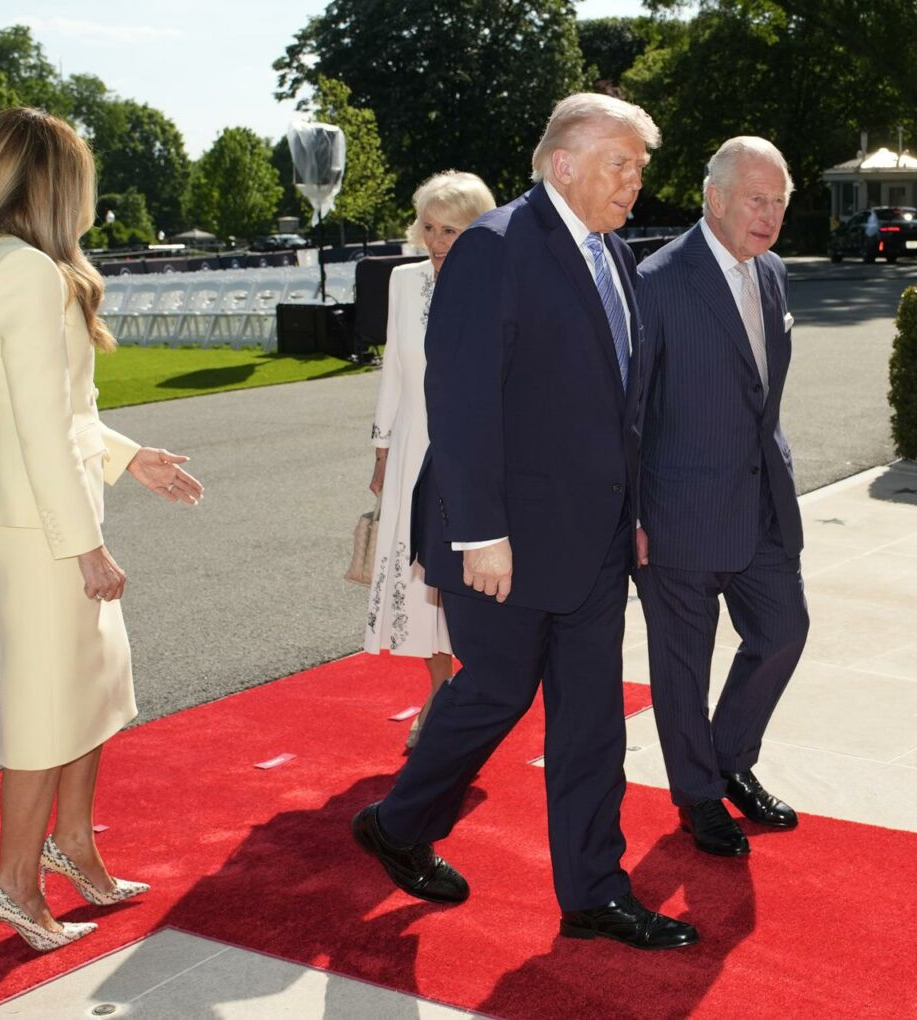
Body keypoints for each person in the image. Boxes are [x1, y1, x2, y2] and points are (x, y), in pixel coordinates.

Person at [353, 93, 699, 951]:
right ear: (565, 163)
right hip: (501, 539)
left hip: (594, 539)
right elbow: (461, 398)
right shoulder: (495, 249)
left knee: (592, 725)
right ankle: (398, 824)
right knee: (495, 693)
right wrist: (479, 534)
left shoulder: (613, 255)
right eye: (622, 164)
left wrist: (640, 511)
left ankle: (593, 893)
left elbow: (628, 405)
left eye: (640, 168)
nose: (636, 183)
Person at [0, 107, 204, 959]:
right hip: (39, 518)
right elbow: (41, 427)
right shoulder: (25, 273)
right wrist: (83, 543)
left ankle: (72, 845)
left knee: (86, 688)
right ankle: (13, 886)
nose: (91, 193)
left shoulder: (1, 264)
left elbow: (61, 414)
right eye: (81, 175)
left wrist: (129, 458)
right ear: (50, 181)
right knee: (47, 705)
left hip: (38, 502)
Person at [632, 137, 809, 860]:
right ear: (715, 199)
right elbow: (629, 411)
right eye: (754, 200)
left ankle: (730, 756)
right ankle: (699, 796)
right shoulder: (658, 280)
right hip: (676, 513)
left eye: (778, 203)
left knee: (784, 629)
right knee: (682, 666)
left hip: (760, 501)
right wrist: (634, 514)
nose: (768, 217)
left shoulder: (772, 274)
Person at [365, 170, 497, 750]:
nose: (438, 241)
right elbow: (394, 368)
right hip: (415, 450)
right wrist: (381, 452)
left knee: (474, 582)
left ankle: (476, 696)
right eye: (430, 228)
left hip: (481, 451)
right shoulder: (403, 281)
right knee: (423, 585)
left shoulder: (500, 281)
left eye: (452, 229)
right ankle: (440, 695)